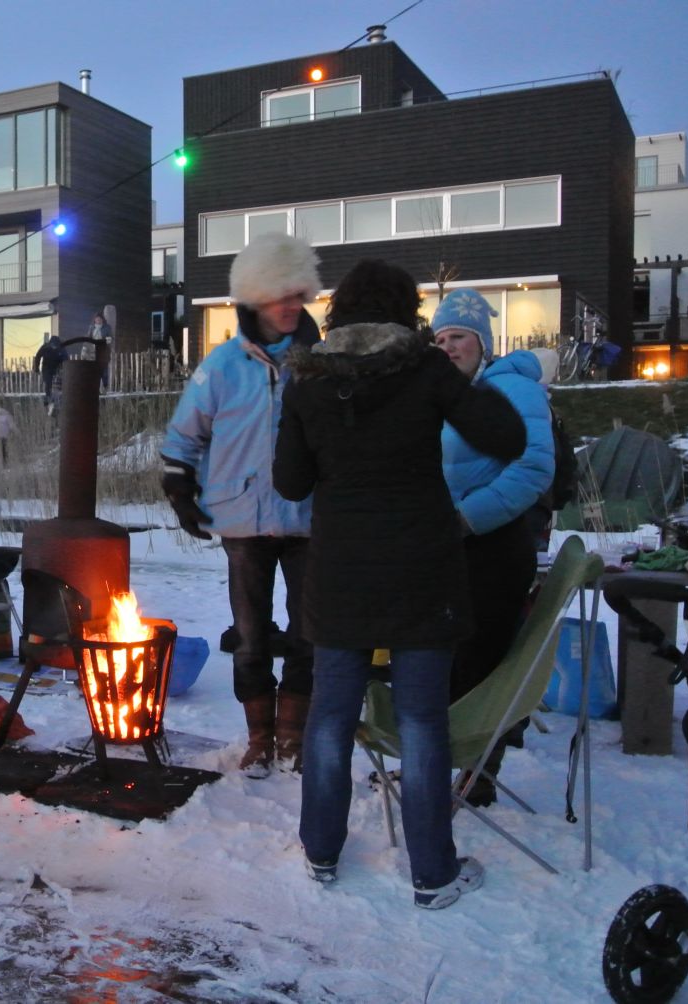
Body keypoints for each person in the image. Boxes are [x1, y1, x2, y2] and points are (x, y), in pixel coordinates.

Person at [273, 259, 526, 910]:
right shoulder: (425, 367)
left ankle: (321, 852)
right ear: (406, 310)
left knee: (329, 718)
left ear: (340, 311)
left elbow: (291, 483)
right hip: (423, 570)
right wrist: (484, 382)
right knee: (420, 721)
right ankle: (433, 874)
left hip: (341, 574)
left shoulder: (307, 381)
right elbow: (507, 436)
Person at [161, 233, 319, 779]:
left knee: (308, 634)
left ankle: (294, 735)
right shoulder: (222, 365)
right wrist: (181, 491)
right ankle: (259, 737)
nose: (291, 306)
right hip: (242, 518)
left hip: (307, 520)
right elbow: (184, 436)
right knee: (250, 636)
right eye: (280, 296)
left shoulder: (320, 364)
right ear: (254, 300)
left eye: (298, 294)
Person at [434, 288, 555, 806]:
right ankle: (441, 765)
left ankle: (478, 771)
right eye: (439, 338)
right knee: (447, 662)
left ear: (482, 342)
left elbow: (534, 467)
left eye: (458, 336)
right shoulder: (443, 393)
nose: (448, 347)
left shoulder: (511, 389)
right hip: (448, 546)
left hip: (494, 546)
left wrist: (467, 517)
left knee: (483, 662)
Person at [32, 333, 66, 412]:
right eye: (53, 346)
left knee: (58, 384)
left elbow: (66, 358)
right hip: (46, 368)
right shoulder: (45, 347)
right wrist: (36, 368)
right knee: (48, 383)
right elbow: (38, 356)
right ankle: (48, 399)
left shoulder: (61, 348)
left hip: (57, 368)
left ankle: (57, 399)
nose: (54, 347)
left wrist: (64, 368)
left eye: (55, 346)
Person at [88, 312, 113, 390]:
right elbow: (88, 339)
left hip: (103, 352)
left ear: (102, 320)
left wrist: (105, 341)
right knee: (94, 371)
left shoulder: (107, 327)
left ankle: (105, 388)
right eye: (97, 319)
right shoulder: (91, 327)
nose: (98, 320)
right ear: (94, 320)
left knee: (104, 371)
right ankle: (95, 388)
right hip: (93, 352)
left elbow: (111, 338)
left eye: (99, 319)